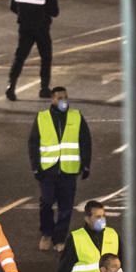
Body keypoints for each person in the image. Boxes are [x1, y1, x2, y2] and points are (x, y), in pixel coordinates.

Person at [28, 86, 91, 251]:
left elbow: (85, 141)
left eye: (65, 97)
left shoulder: (76, 116)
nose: (64, 101)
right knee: (46, 203)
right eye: (60, 98)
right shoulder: (42, 118)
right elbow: (33, 143)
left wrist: (86, 165)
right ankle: (47, 234)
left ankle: (60, 238)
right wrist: (35, 167)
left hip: (69, 170)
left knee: (66, 207)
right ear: (53, 99)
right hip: (48, 169)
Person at [50, 201, 122, 272]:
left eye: (103, 216)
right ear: (87, 219)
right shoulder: (76, 238)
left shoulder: (112, 235)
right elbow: (64, 268)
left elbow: (124, 264)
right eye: (98, 217)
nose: (102, 220)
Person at [5, 0, 59, 101]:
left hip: (25, 27)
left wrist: (24, 15)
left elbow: (12, 6)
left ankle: (11, 86)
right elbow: (54, 11)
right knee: (46, 57)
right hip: (41, 27)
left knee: (20, 57)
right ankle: (44, 88)